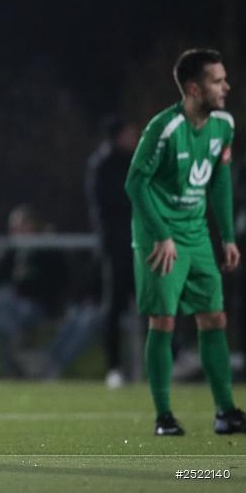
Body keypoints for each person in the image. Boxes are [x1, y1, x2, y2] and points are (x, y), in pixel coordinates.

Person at [124, 49, 245, 436]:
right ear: (194, 88)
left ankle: (225, 412)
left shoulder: (224, 125)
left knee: (215, 317)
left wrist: (226, 235)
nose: (226, 86)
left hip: (196, 235)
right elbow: (134, 183)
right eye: (217, 80)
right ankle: (164, 417)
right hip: (160, 234)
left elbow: (220, 181)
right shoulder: (164, 128)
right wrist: (161, 234)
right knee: (163, 321)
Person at [85, 116, 139, 388]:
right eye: (130, 134)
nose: (134, 138)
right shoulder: (103, 166)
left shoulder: (134, 162)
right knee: (115, 308)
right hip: (117, 250)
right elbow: (111, 207)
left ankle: (171, 360)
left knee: (156, 304)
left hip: (140, 246)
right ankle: (114, 368)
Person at [0, 205, 70, 377]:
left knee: (15, 317)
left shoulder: (47, 248)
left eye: (21, 225)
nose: (16, 231)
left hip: (37, 304)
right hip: (14, 304)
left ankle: (17, 359)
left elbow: (56, 283)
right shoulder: (10, 250)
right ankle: (25, 351)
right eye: (14, 227)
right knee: (0, 298)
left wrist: (28, 282)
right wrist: (8, 253)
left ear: (32, 225)